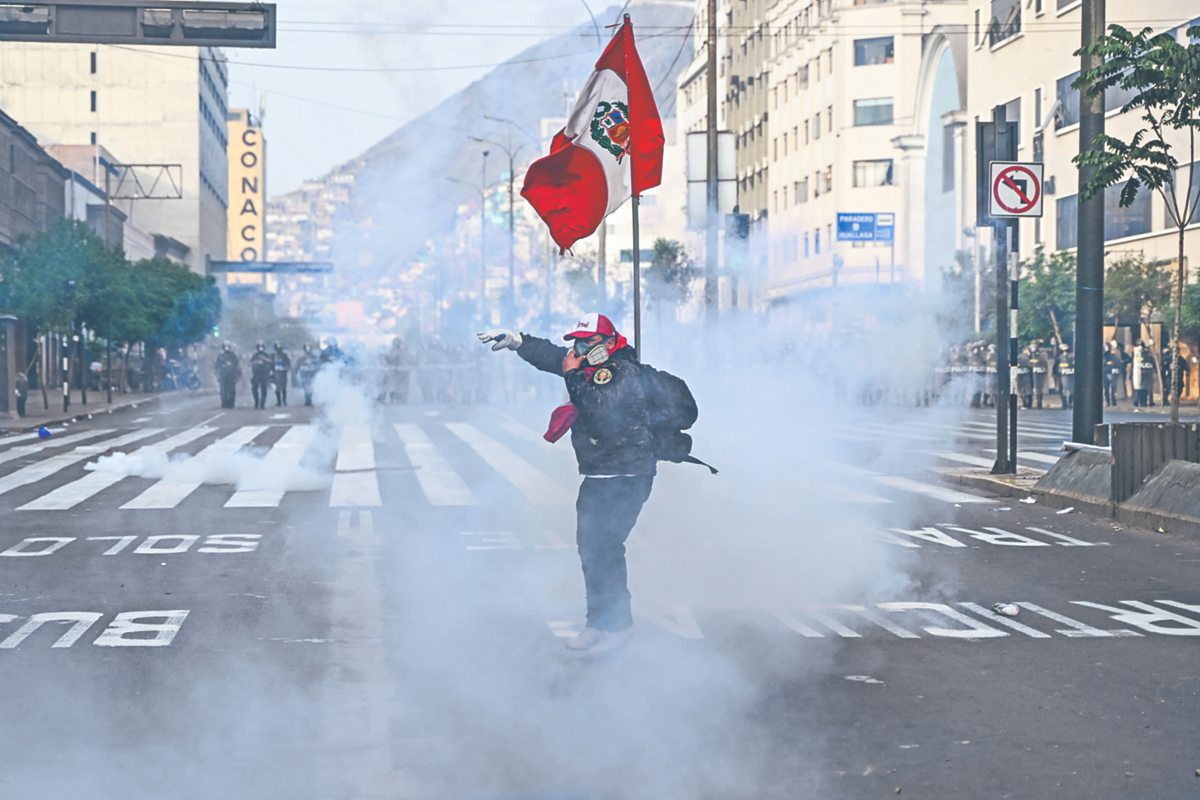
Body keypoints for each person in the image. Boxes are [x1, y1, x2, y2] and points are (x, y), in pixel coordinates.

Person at [477, 313, 659, 656]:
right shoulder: (590, 367)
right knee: (592, 549)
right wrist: (519, 340)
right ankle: (599, 623)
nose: (578, 349)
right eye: (576, 342)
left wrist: (572, 373)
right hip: (600, 472)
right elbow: (555, 359)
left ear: (607, 343)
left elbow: (597, 406)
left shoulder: (619, 371)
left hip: (626, 473)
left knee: (604, 548)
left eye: (586, 343)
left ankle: (617, 626)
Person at [214, 344, 241, 409]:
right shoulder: (220, 357)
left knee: (231, 390)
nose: (227, 348)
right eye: (225, 347)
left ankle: (231, 403)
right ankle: (224, 403)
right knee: (223, 391)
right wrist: (217, 375)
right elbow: (216, 366)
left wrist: (237, 375)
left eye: (228, 347)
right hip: (223, 376)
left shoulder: (233, 356)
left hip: (231, 376)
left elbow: (237, 366)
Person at [249, 343, 273, 410]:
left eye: (262, 347)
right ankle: (256, 402)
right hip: (256, 374)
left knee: (264, 389)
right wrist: (257, 362)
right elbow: (250, 363)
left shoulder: (266, 355)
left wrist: (264, 359)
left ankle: (262, 403)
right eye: (259, 347)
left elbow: (271, 362)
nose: (260, 348)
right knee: (254, 389)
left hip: (264, 374)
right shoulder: (255, 355)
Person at [1054, 343, 1075, 409]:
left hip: (1071, 376)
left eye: (1066, 351)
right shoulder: (1059, 358)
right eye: (1063, 351)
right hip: (1062, 376)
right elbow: (1055, 367)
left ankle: (1069, 404)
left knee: (1071, 390)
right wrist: (1056, 374)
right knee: (1063, 390)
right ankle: (1064, 404)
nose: (1065, 352)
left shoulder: (1072, 357)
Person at [1103, 341, 1123, 407]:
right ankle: (1108, 402)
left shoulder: (1114, 356)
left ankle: (1113, 401)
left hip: (1112, 374)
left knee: (1113, 389)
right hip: (1106, 374)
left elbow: (1118, 364)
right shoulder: (1104, 356)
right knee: (1107, 389)